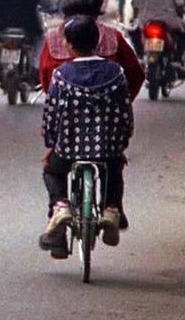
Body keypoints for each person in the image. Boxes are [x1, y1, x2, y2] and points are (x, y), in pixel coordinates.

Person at [38, 15, 134, 259]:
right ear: (98, 41)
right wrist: (121, 143)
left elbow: (51, 113)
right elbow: (125, 113)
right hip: (107, 146)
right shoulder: (116, 72)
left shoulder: (61, 75)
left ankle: (60, 207)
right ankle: (111, 211)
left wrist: (51, 144)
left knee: (52, 170)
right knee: (114, 170)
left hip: (69, 148)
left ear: (69, 44)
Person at [39, 0, 145, 100]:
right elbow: (135, 74)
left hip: (67, 112)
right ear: (98, 4)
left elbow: (45, 78)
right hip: (107, 111)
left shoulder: (53, 38)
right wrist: (120, 102)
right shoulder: (113, 36)